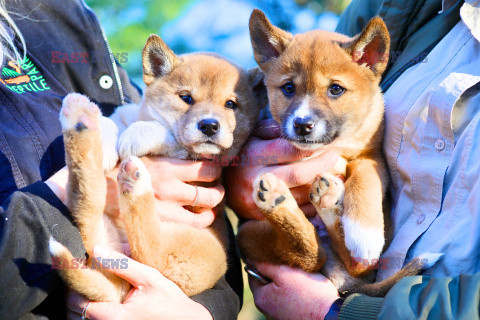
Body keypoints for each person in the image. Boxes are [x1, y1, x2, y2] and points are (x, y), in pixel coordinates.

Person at [226, 0, 480, 318]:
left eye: (334, 89)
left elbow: (368, 157)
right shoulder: (406, 7)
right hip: (297, 263)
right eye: (288, 88)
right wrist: (236, 174)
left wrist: (336, 313)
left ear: (371, 58)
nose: (304, 115)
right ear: (268, 54)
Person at [0, 0, 242, 319]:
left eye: (231, 104)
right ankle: (85, 176)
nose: (210, 117)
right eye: (187, 99)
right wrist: (66, 192)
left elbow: (223, 282)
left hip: (133, 276)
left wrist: (204, 312)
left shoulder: (68, 15)